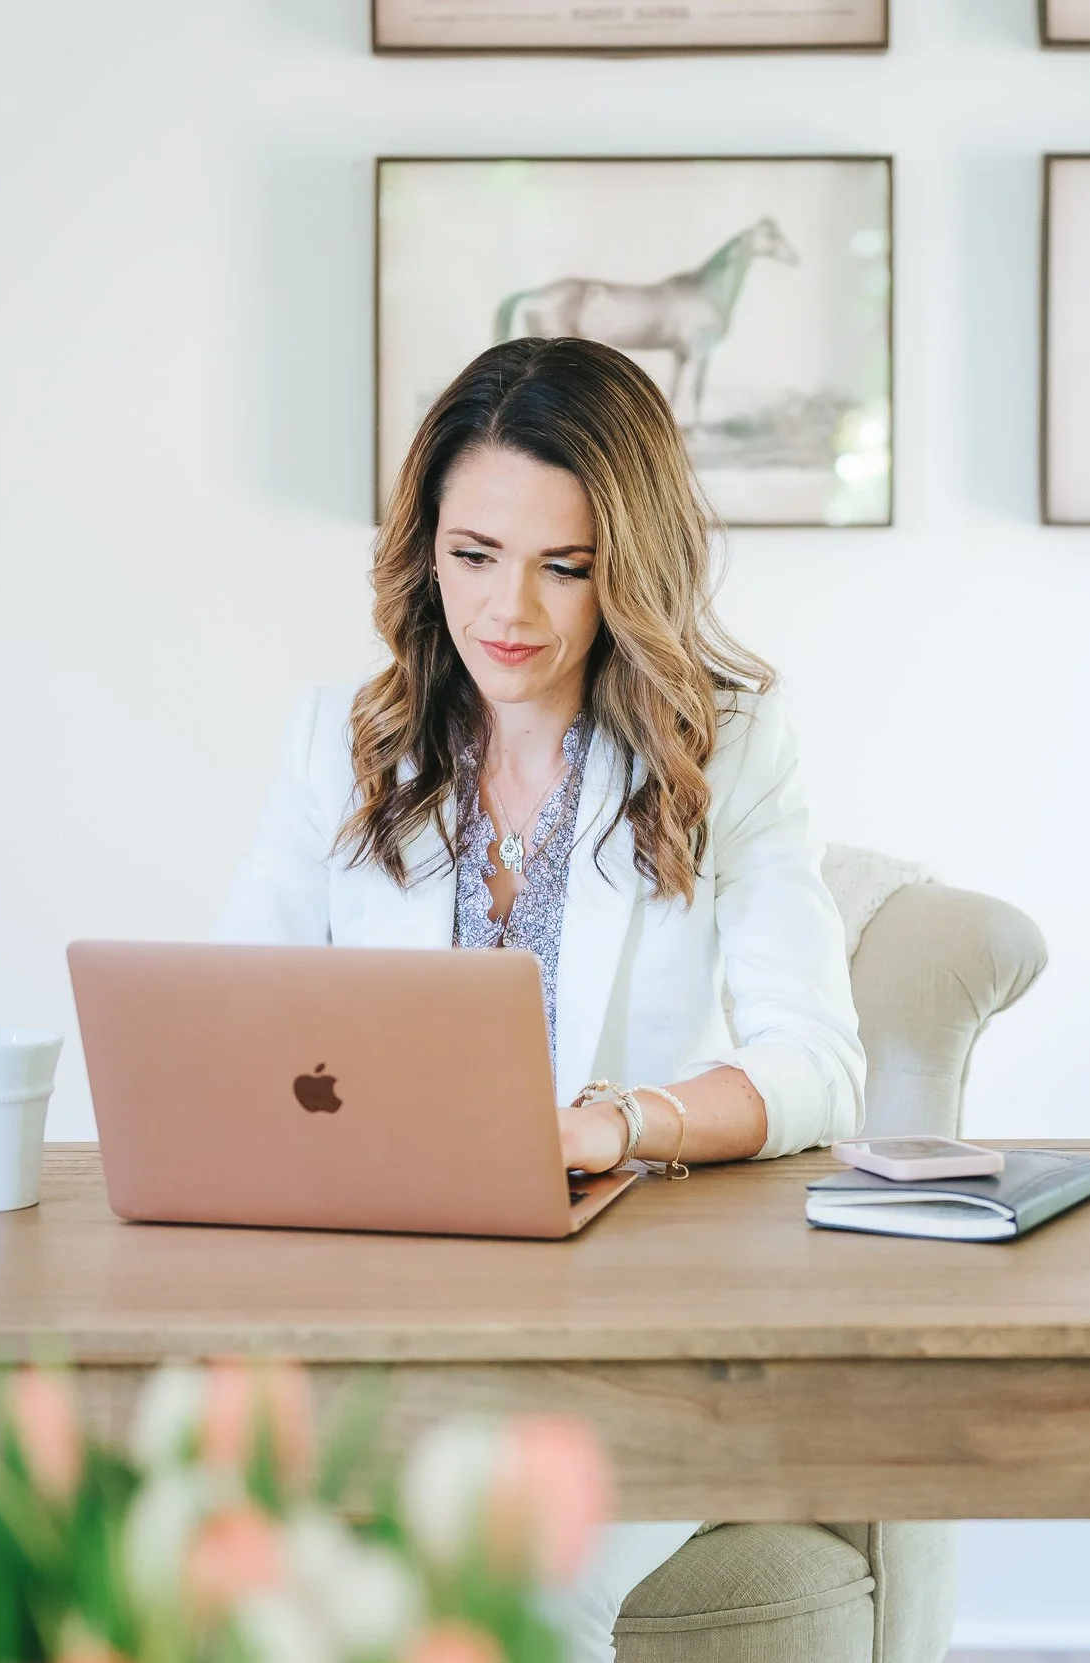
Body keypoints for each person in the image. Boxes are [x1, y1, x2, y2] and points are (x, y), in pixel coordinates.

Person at [214, 336, 865, 1655]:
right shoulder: (338, 744)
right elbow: (232, 1021)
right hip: (388, 1313)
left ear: (630, 568)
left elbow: (819, 1064)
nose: (510, 607)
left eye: (565, 566)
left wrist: (614, 1122)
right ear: (424, 549)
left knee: (508, 1591)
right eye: (474, 555)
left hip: (633, 1329)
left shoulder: (730, 749)